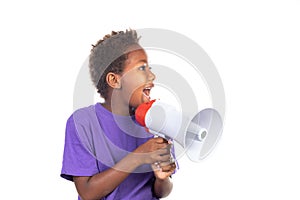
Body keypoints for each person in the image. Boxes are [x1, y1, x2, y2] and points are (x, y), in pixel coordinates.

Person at [61, 29, 177, 200]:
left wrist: (162, 178)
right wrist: (138, 157)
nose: (152, 75)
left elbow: (162, 191)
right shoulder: (83, 122)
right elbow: (87, 192)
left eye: (149, 68)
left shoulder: (158, 121)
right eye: (142, 68)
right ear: (114, 80)